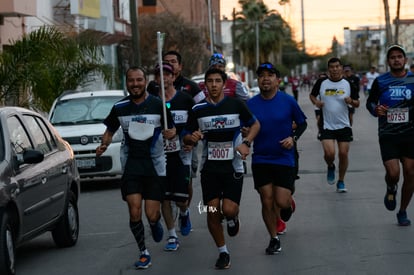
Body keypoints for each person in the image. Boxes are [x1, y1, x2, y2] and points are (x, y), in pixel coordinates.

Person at [96, 66, 176, 269]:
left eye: (139, 80)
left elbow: (172, 128)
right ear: (127, 83)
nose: (135, 84)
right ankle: (143, 252)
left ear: (145, 81)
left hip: (155, 166)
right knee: (134, 211)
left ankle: (155, 222)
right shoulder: (120, 107)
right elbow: (110, 129)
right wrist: (104, 144)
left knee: (151, 214)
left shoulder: (159, 105)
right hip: (131, 165)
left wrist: (171, 133)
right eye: (131, 81)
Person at [183, 68, 260, 269]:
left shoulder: (235, 104)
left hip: (233, 166)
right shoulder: (198, 109)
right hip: (210, 168)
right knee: (212, 211)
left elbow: (255, 125)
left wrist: (246, 143)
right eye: (210, 81)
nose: (214, 84)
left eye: (218, 81)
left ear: (224, 84)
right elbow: (185, 134)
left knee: (228, 209)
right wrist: (191, 138)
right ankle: (223, 252)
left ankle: (233, 217)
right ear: (205, 85)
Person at [246, 62, 307, 254]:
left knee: (281, 201)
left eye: (270, 75)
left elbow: (302, 123)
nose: (265, 78)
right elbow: (243, 126)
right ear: (258, 80)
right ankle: (273, 238)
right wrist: (245, 133)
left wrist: (293, 138)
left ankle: (288, 204)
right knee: (266, 199)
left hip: (284, 158)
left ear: (277, 80)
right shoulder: (251, 104)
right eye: (262, 75)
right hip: (261, 158)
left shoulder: (288, 101)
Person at [366, 44, 414, 226]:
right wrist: (375, 109)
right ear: (388, 62)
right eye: (392, 57)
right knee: (394, 173)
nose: (396, 59)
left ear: (405, 60)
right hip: (388, 134)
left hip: (410, 134)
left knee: (410, 173)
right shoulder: (381, 81)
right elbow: (370, 103)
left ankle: (402, 211)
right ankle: (391, 186)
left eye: (399, 56)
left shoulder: (413, 80)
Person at [152, 62, 195, 250]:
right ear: (155, 79)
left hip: (181, 154)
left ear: (173, 77)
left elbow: (194, 124)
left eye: (167, 75)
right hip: (160, 156)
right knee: (164, 198)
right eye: (160, 75)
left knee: (181, 198)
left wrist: (181, 134)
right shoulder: (152, 101)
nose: (164, 78)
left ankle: (184, 213)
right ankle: (171, 236)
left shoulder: (185, 100)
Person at [309, 57, 360, 192]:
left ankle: (341, 181)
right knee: (330, 154)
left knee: (343, 154)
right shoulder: (321, 82)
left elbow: (357, 103)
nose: (335, 69)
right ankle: (330, 165)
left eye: (337, 66)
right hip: (327, 125)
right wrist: (316, 103)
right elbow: (312, 95)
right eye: (332, 67)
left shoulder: (348, 83)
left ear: (341, 68)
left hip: (344, 125)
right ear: (328, 69)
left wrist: (351, 101)